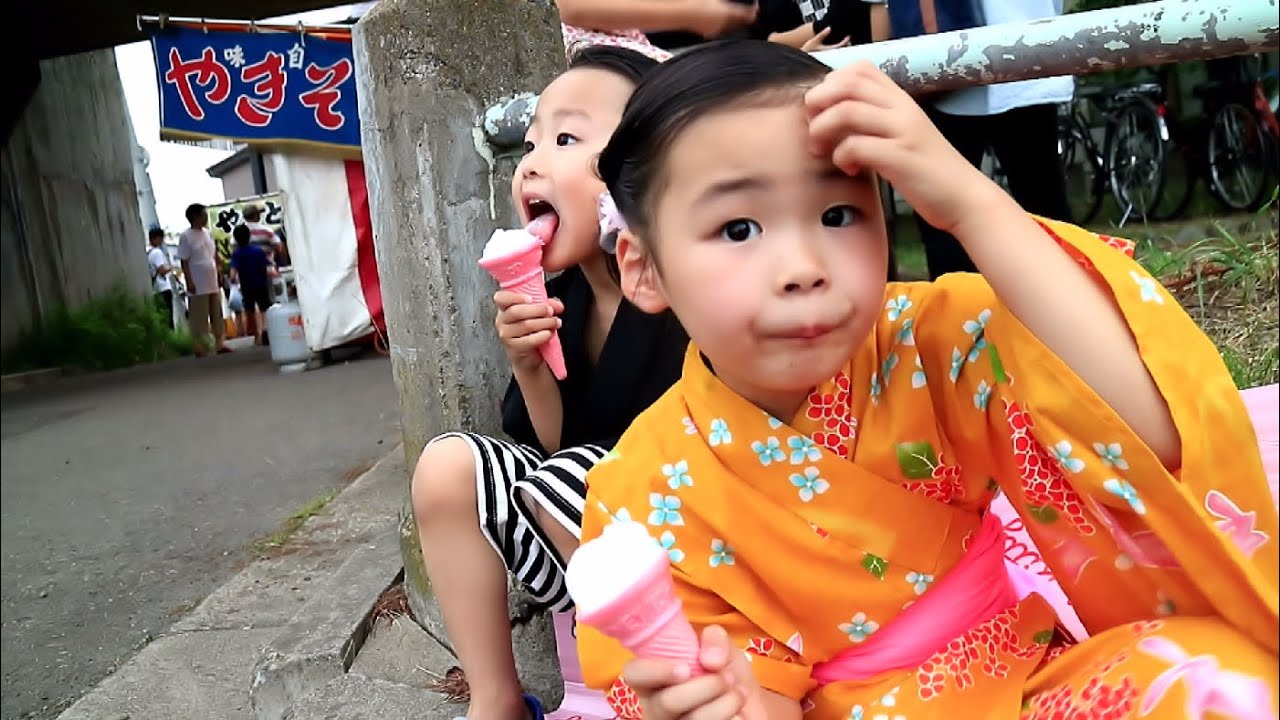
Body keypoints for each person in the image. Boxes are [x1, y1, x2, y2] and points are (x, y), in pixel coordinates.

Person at [575, 41, 1277, 718]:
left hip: (1032, 685)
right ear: (642, 267)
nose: (804, 266)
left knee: (1214, 681)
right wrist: (720, 703)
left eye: (838, 213)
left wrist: (973, 205)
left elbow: (1144, 429)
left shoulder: (925, 340)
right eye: (737, 229)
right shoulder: (644, 490)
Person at [409, 45, 688, 720]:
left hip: (696, 539)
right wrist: (530, 365)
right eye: (530, 143)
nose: (531, 162)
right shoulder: (561, 300)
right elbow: (558, 443)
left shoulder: (689, 284)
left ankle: (657, 691)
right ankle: (498, 700)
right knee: (449, 468)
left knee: (572, 479)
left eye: (566, 138)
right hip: (580, 527)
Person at [885, 0, 1074, 279]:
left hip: (950, 61)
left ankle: (960, 316)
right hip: (1023, 56)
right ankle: (1075, 305)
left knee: (945, 219)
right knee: (1046, 210)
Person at [177, 203, 230, 356]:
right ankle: (198, 345)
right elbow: (184, 260)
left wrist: (219, 272)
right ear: (195, 217)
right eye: (203, 214)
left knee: (216, 311)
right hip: (197, 278)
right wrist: (189, 280)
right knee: (199, 313)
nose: (206, 217)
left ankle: (220, 342)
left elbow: (213, 255)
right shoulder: (186, 236)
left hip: (211, 276)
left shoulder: (207, 233)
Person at [230, 224, 274, 345]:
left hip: (246, 286)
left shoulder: (237, 253)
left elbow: (233, 271)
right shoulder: (258, 251)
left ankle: (255, 334)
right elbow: (266, 265)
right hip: (261, 283)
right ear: (249, 236)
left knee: (250, 309)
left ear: (236, 239)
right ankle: (265, 331)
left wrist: (232, 279)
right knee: (264, 308)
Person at [146, 227, 174, 325]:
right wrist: (170, 267)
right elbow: (161, 270)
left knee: (161, 318)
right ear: (155, 238)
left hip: (155, 289)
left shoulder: (147, 252)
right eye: (160, 238)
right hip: (163, 288)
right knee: (168, 318)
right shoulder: (157, 252)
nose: (161, 241)